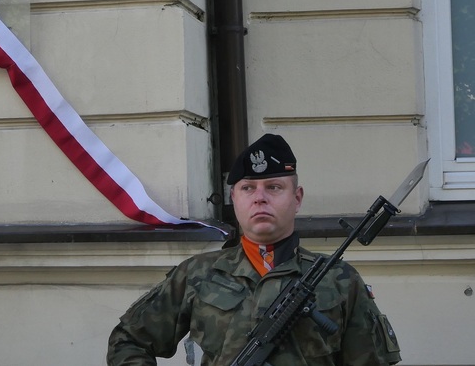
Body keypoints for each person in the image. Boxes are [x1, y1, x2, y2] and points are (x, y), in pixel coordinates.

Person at [106, 134, 401, 366]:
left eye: (274, 187)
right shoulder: (197, 274)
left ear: (297, 198)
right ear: (234, 198)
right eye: (248, 188)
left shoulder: (340, 280)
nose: (260, 198)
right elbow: (128, 340)